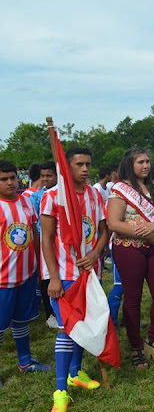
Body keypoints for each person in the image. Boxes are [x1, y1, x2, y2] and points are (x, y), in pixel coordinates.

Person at [41, 147, 108, 411]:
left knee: (85, 324)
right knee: (66, 329)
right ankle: (60, 390)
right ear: (66, 167)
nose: (85, 169)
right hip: (65, 277)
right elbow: (46, 239)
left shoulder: (94, 194)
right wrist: (53, 278)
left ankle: (76, 372)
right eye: (79, 164)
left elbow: (104, 231)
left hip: (91, 274)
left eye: (88, 164)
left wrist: (95, 252)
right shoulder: (52, 196)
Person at [107, 147, 154, 370]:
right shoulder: (120, 190)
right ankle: (135, 347)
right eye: (140, 162)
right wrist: (146, 233)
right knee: (133, 298)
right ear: (130, 165)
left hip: (153, 248)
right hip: (128, 248)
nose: (145, 165)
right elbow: (113, 223)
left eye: (147, 161)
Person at [0, 160, 51, 390]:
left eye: (12, 177)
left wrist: (39, 265)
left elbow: (34, 234)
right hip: (3, 281)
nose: (10, 182)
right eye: (4, 179)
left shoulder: (26, 202)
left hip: (26, 276)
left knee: (22, 322)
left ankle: (25, 362)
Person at [29, 162, 58, 329]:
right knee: (46, 277)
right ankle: (50, 314)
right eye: (43, 176)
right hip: (43, 241)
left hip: (60, 242)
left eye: (49, 175)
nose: (46, 179)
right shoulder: (36, 197)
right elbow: (33, 221)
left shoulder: (62, 195)